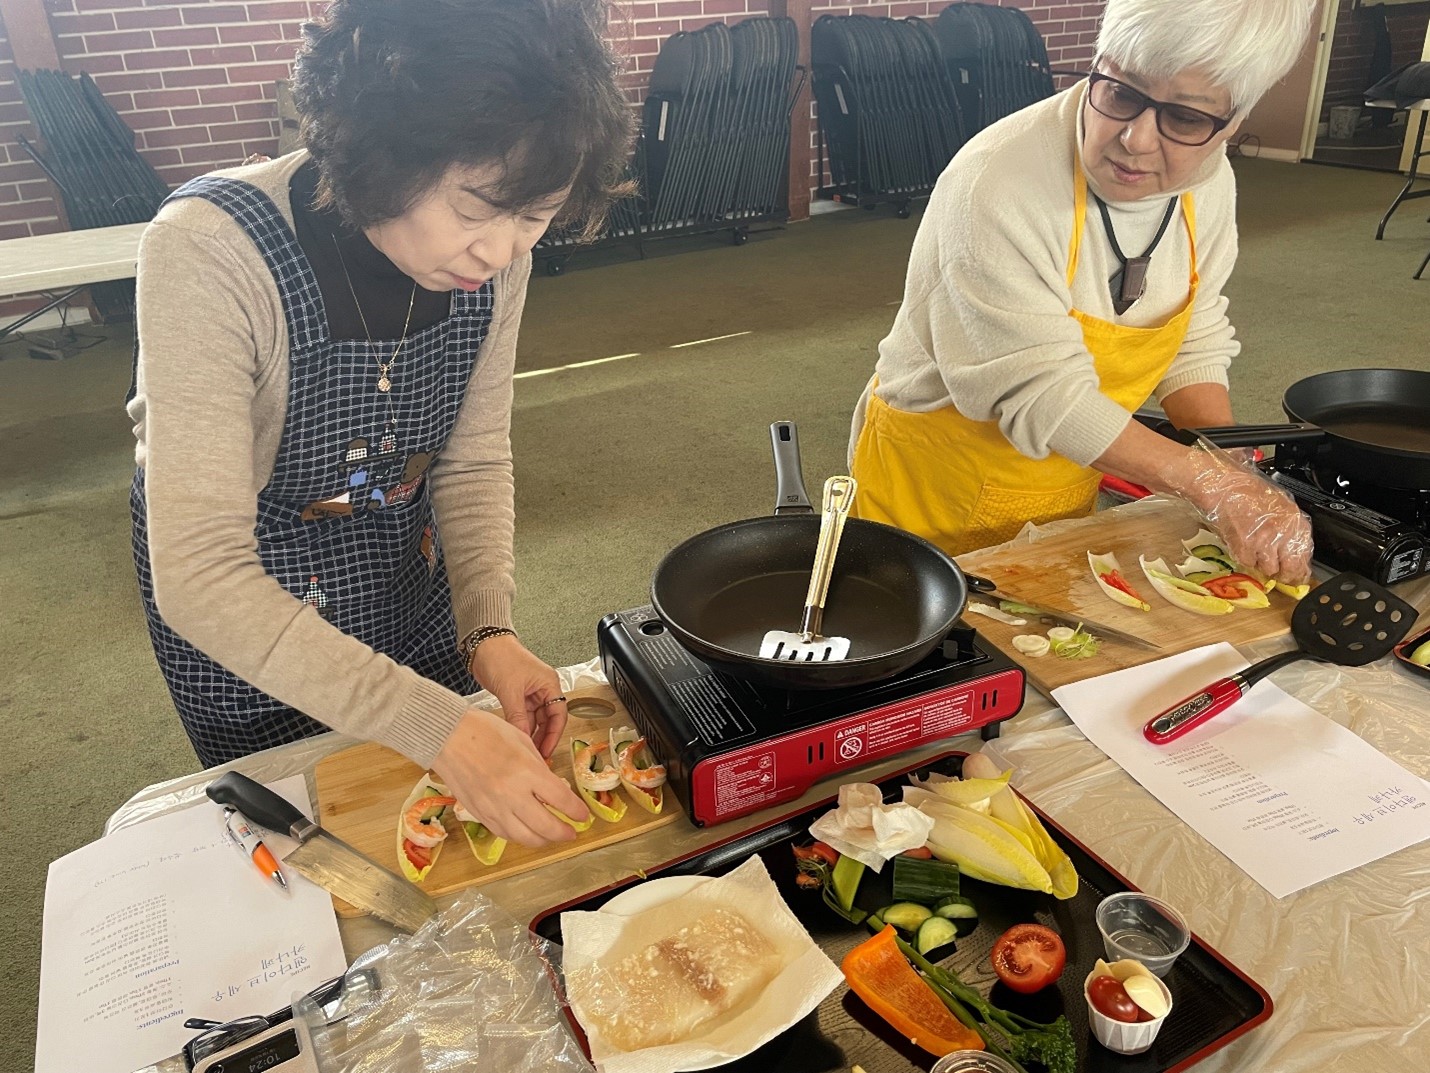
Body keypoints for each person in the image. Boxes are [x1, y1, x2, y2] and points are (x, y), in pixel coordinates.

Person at [127, 0, 632, 847]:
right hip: (249, 598)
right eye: (478, 209)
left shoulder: (500, 263)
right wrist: (437, 725)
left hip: (400, 561)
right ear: (382, 151)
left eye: (535, 216)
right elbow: (203, 573)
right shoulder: (208, 252)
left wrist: (488, 626)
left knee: (432, 821)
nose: (502, 250)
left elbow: (468, 461)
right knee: (306, 839)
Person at [848, 0, 1316, 584]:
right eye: (1121, 92)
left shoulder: (1209, 182)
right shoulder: (996, 183)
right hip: (937, 485)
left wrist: (1230, 462)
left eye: (1186, 119)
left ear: (1233, 119)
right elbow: (1040, 392)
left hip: (1071, 469)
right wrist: (1203, 480)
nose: (1136, 140)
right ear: (1098, 63)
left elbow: (1190, 332)